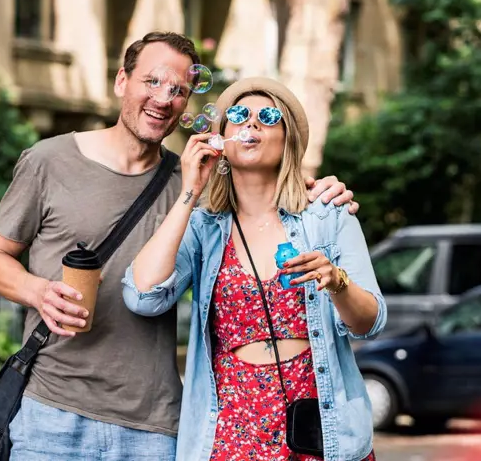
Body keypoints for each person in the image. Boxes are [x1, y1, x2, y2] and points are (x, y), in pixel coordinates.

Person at [0, 32, 358, 460]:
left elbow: (269, 192)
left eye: (179, 90)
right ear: (122, 80)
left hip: (154, 424)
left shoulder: (198, 181)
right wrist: (37, 291)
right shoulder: (49, 161)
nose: (164, 98)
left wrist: (321, 189)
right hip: (52, 411)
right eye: (152, 82)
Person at [123, 76, 387, 461]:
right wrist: (189, 192)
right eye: (238, 115)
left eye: (267, 116)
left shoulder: (326, 217)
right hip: (231, 425)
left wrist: (337, 283)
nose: (252, 124)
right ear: (222, 140)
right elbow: (142, 295)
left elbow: (371, 323)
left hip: (318, 424)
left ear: (288, 139)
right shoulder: (204, 228)